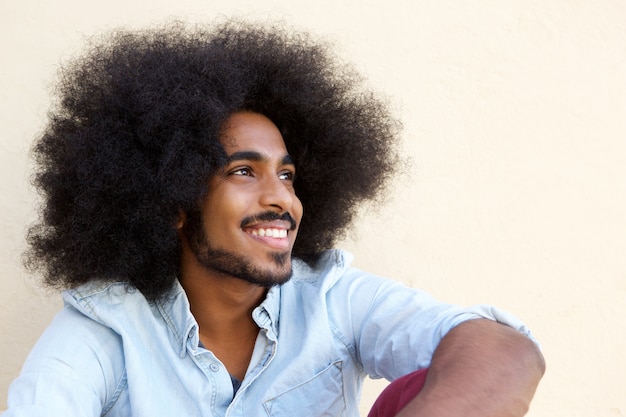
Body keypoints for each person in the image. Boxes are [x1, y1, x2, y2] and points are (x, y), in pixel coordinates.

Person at [6, 20, 544, 416]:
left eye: (287, 176)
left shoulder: (332, 300)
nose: (281, 199)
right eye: (244, 171)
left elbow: (504, 353)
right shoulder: (109, 329)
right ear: (171, 202)